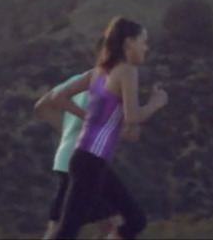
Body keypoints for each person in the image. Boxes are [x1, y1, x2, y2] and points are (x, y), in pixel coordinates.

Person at [39, 17, 168, 240]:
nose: (146, 47)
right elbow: (133, 115)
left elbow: (57, 97)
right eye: (143, 41)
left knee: (135, 219)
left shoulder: (98, 72)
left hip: (89, 161)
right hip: (90, 161)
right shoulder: (127, 71)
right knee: (66, 232)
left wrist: (92, 119)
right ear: (129, 42)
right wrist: (157, 103)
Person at [36, 56, 121, 239]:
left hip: (67, 158)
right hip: (85, 159)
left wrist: (66, 131)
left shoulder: (77, 81)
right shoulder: (107, 86)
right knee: (112, 222)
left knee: (106, 221)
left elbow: (42, 106)